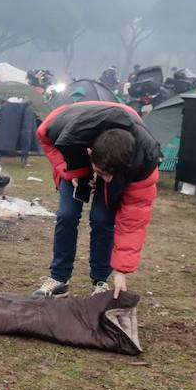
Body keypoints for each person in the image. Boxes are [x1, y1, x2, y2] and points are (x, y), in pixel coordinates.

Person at [31, 101, 160, 299]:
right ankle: (59, 279)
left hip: (116, 150)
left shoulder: (144, 163)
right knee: (67, 214)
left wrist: (121, 271)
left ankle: (101, 281)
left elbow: (134, 221)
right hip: (76, 143)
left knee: (102, 219)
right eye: (101, 173)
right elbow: (44, 138)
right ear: (90, 154)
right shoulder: (60, 128)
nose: (106, 180)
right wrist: (72, 172)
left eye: (111, 176)